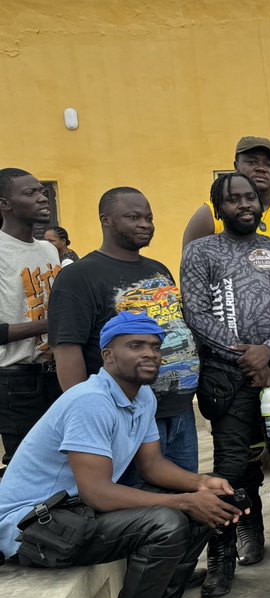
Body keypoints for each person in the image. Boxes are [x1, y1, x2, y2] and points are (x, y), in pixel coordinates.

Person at [0, 312, 241, 598]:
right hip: (32, 529)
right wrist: (183, 500)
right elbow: (98, 493)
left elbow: (153, 466)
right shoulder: (90, 401)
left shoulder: (142, 396)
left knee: (210, 502)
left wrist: (201, 484)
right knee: (167, 521)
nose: (150, 354)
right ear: (108, 355)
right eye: (136, 346)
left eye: (155, 347)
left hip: (73, 514)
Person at [180, 173, 270, 598]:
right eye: (232, 199)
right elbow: (196, 313)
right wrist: (245, 355)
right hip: (226, 378)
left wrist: (267, 351)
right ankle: (222, 557)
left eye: (250, 197)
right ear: (218, 208)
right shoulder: (201, 252)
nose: (243, 205)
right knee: (232, 468)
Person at [50, 187, 202, 477]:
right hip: (125, 417)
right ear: (106, 220)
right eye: (133, 217)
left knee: (186, 500)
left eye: (149, 217)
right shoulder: (79, 276)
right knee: (139, 509)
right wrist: (91, 416)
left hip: (179, 410)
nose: (145, 224)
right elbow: (67, 350)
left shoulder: (158, 268)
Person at [0, 168, 60, 470]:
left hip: (58, 371)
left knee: (63, 461)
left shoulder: (49, 248)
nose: (42, 197)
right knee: (25, 467)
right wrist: (53, 324)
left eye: (42, 190)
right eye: (30, 193)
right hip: (17, 380)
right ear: (4, 204)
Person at [183, 136, 270, 255]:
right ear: (236, 166)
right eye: (252, 162)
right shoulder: (211, 214)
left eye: (269, 164)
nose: (261, 168)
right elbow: (190, 270)